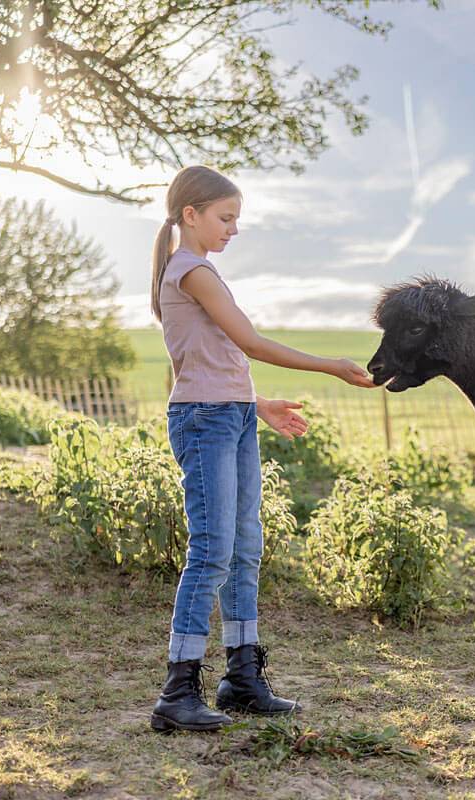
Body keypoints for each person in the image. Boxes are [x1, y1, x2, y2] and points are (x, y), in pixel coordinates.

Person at [147, 165, 377, 732]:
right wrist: (331, 366)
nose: (232, 230)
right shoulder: (191, 270)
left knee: (246, 547)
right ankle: (178, 691)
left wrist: (258, 404)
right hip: (205, 421)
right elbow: (248, 341)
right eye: (225, 218)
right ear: (190, 215)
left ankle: (242, 678)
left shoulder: (201, 270)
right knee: (212, 551)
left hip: (233, 414)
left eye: (237, 220)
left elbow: (218, 358)